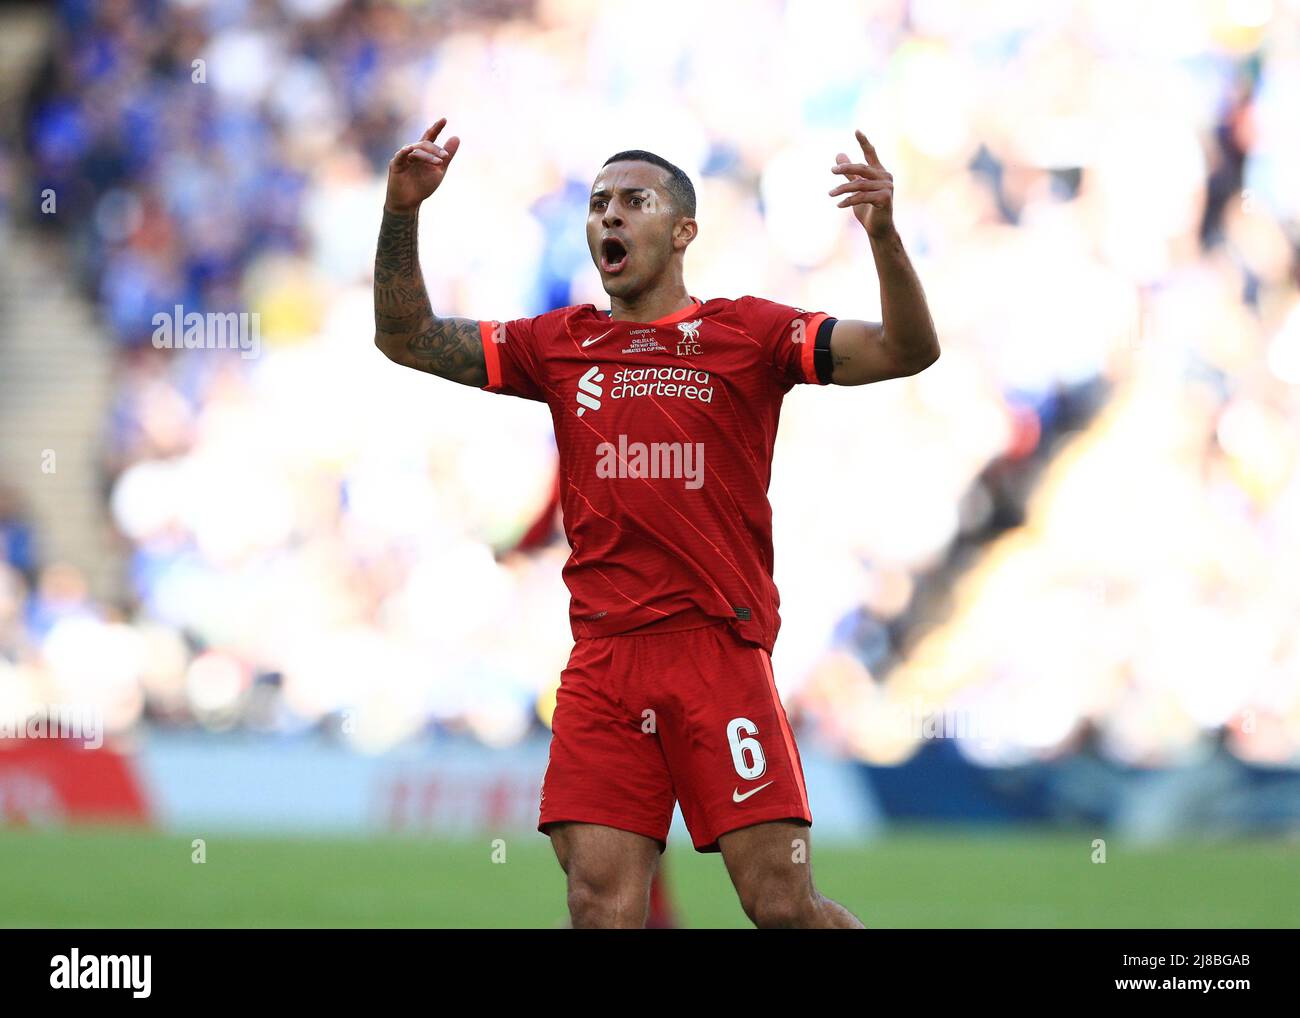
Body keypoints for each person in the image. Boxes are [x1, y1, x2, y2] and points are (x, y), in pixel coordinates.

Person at [373, 118, 939, 928]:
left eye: (632, 200)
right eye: (597, 202)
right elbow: (406, 338)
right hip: (604, 663)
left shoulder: (751, 334)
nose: (608, 214)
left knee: (782, 906)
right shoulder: (559, 343)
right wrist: (402, 212)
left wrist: (884, 238)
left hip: (718, 653)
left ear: (682, 232)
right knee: (598, 906)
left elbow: (906, 350)